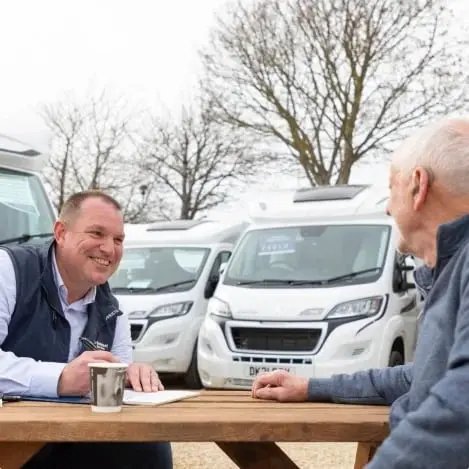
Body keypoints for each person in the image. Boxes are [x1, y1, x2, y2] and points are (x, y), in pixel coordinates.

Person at [251, 117, 469, 469]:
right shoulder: (452, 267)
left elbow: (462, 406)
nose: (386, 207)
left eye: (390, 187)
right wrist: (310, 388)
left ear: (418, 185)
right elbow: (419, 376)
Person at [0, 190, 172, 469]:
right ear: (60, 232)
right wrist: (60, 379)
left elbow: (117, 393)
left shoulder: (112, 311)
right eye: (97, 233)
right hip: (8, 441)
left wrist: (132, 377)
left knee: (147, 445)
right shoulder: (8, 269)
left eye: (118, 239)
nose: (109, 248)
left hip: (64, 440)